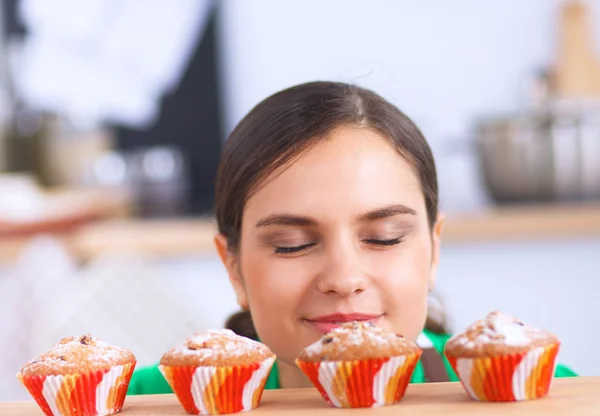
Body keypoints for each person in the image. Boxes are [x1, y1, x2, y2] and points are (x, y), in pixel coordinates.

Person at [127, 81, 575, 394]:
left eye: (383, 238)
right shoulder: (140, 405)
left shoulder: (544, 390)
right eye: (292, 244)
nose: (344, 278)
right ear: (234, 268)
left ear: (434, 250)